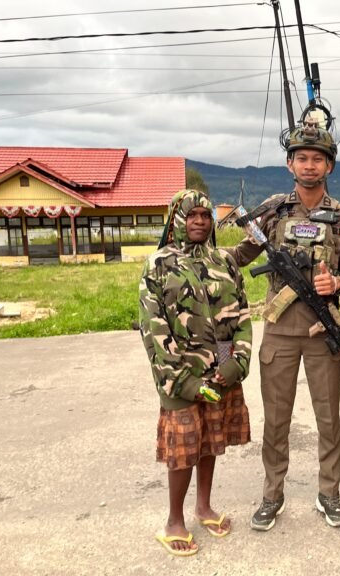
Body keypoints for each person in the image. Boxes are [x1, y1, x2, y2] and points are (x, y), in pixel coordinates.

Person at [227, 123, 340, 530]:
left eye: (317, 158)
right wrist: (196, 256)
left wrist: (335, 283)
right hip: (279, 331)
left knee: (328, 420)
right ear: (290, 164)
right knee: (277, 419)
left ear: (329, 166)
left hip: (323, 332)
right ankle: (272, 495)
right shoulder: (271, 210)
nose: (309, 165)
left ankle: (329, 494)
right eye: (301, 157)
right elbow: (241, 255)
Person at [139, 189, 253, 556]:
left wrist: (232, 363)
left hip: (218, 372)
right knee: (183, 448)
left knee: (209, 443)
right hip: (179, 376)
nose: (200, 221)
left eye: (205, 215)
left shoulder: (224, 261)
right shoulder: (158, 264)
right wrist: (183, 381)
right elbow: (153, 329)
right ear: (177, 220)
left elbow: (237, 318)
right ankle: (174, 519)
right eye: (192, 215)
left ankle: (203, 507)